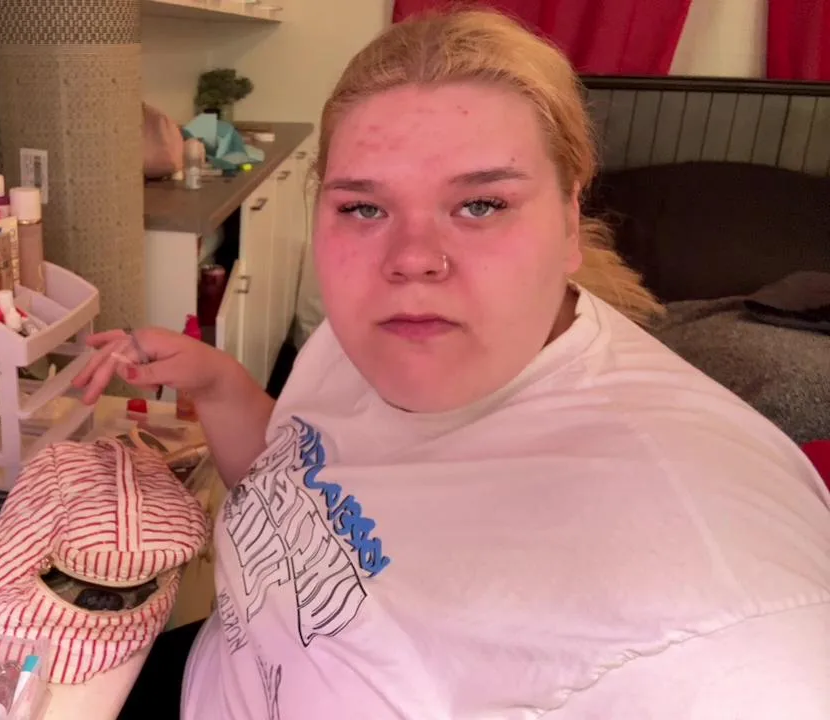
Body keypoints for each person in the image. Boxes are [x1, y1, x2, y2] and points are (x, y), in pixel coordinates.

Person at [75, 9, 830, 719]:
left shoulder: (720, 613)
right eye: (364, 208)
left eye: (481, 205)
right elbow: (296, 489)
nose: (410, 259)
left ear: (570, 221)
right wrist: (217, 382)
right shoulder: (369, 337)